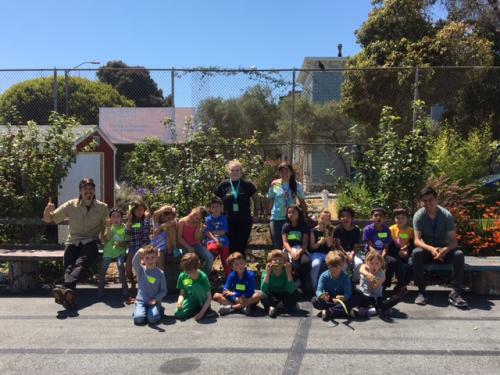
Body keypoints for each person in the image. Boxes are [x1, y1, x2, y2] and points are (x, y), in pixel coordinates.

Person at [43, 178, 108, 309]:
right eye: (85, 189)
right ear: (80, 191)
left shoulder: (102, 207)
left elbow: (105, 228)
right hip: (73, 241)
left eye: (91, 189)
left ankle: (64, 288)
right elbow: (50, 219)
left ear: (94, 191)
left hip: (91, 241)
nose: (88, 192)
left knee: (81, 263)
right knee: (68, 264)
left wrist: (106, 241)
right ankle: (68, 294)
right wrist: (47, 210)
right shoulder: (71, 205)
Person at [411, 186, 468, 308]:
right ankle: (421, 291)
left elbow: (453, 242)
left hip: (443, 250)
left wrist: (445, 250)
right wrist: (431, 249)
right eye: (424, 201)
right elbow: (417, 240)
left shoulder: (446, 215)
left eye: (430, 200)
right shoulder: (419, 215)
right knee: (416, 253)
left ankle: (456, 292)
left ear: (436, 200)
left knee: (459, 255)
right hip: (427, 250)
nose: (427, 203)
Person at [215, 160, 257, 255]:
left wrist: (255, 214)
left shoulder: (247, 184)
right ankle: (232, 268)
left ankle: (241, 268)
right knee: (231, 246)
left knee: (241, 246)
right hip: (228, 221)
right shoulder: (223, 185)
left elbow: (256, 200)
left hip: (244, 220)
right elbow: (216, 202)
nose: (234, 173)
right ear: (228, 172)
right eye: (232, 170)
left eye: (237, 170)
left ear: (241, 172)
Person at [363, 207, 406, 295]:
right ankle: (370, 287)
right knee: (374, 264)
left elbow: (386, 247)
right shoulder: (368, 229)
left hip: (383, 253)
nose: (378, 217)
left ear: (384, 219)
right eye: (375, 215)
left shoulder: (386, 230)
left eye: (381, 216)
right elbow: (370, 246)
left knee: (393, 262)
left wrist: (382, 257)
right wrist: (377, 257)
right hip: (371, 254)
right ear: (371, 217)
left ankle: (385, 285)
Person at [267, 162, 308, 249]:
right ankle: (279, 262)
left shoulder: (297, 185)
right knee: (277, 244)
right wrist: (267, 213)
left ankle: (290, 262)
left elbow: (302, 201)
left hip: (291, 219)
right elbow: (271, 199)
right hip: (276, 217)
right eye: (282, 171)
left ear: (291, 172)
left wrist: (306, 214)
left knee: (291, 243)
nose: (284, 174)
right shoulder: (275, 184)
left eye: (287, 171)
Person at [352, 250, 400, 319]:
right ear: (366, 263)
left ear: (381, 264)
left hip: (377, 297)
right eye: (371, 263)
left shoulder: (382, 274)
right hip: (365, 296)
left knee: (394, 298)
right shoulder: (364, 267)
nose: (374, 266)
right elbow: (361, 270)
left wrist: (373, 279)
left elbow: (374, 286)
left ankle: (377, 309)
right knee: (356, 293)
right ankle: (379, 309)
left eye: (377, 263)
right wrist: (369, 275)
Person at [311, 251, 353, 321]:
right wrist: (322, 296)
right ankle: (342, 311)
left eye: (336, 266)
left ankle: (329, 312)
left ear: (341, 265)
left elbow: (348, 293)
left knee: (355, 297)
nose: (334, 269)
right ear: (328, 265)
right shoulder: (324, 276)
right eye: (331, 266)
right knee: (314, 301)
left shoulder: (345, 277)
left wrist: (343, 297)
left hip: (341, 301)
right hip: (329, 299)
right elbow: (318, 290)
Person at [174, 253, 216, 321]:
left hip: (203, 301)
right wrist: (180, 302)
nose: (185, 272)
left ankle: (205, 310)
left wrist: (201, 314)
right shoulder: (182, 275)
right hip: (191, 300)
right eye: (184, 270)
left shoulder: (203, 276)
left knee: (195, 286)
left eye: (188, 271)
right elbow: (182, 293)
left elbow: (209, 297)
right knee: (178, 313)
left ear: (194, 268)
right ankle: (195, 310)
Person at [132, 245, 167, 325]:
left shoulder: (160, 273)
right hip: (141, 301)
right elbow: (134, 262)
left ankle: (159, 309)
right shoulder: (140, 270)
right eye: (147, 258)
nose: (150, 260)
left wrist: (156, 299)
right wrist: (139, 252)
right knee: (138, 319)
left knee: (153, 319)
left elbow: (163, 291)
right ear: (143, 259)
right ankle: (139, 310)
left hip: (154, 301)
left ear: (156, 258)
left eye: (152, 257)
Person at [281, 204, 312, 295]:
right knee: (286, 262)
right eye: (289, 212)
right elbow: (285, 242)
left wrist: (299, 252)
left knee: (305, 262)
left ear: (299, 214)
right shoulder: (286, 226)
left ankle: (303, 285)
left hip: (301, 249)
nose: (291, 214)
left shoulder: (304, 226)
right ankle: (289, 285)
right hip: (288, 249)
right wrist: (291, 251)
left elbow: (305, 243)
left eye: (293, 212)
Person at [126, 200, 152, 304]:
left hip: (144, 247)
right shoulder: (131, 221)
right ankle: (133, 283)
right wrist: (128, 222)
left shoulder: (146, 220)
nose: (139, 212)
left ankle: (143, 288)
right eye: (137, 210)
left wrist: (146, 219)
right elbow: (128, 233)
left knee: (143, 268)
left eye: (142, 210)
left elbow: (145, 234)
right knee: (128, 268)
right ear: (133, 210)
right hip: (133, 247)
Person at [260, 249, 299, 318]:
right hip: (272, 294)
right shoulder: (267, 271)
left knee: (296, 293)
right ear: (270, 262)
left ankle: (273, 308)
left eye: (280, 260)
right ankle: (286, 307)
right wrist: (268, 274)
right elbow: (263, 289)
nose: (277, 262)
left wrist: (288, 273)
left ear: (284, 261)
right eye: (275, 260)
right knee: (262, 296)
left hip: (284, 293)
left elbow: (291, 290)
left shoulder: (286, 270)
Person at [99, 208, 128, 297]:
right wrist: (107, 227)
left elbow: (126, 243)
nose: (116, 219)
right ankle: (101, 287)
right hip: (109, 251)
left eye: (118, 216)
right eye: (113, 216)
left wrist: (121, 244)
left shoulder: (124, 227)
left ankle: (124, 287)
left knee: (120, 265)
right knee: (104, 267)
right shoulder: (109, 227)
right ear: (110, 218)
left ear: (121, 218)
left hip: (120, 251)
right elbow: (106, 239)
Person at [177, 207, 213, 276]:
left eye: (198, 218)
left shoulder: (197, 223)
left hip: (195, 244)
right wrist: (188, 247)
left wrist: (201, 229)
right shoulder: (182, 222)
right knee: (190, 260)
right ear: (192, 210)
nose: (194, 218)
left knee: (209, 257)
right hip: (183, 245)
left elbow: (196, 238)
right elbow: (179, 238)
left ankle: (203, 276)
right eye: (194, 214)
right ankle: (188, 277)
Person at [333, 207, 362, 282]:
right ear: (340, 218)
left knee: (359, 263)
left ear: (351, 218)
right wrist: (345, 255)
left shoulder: (356, 230)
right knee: (343, 264)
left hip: (353, 253)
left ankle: (355, 282)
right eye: (343, 216)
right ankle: (343, 282)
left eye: (348, 216)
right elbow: (338, 246)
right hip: (341, 253)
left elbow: (356, 246)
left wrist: (351, 255)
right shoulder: (337, 230)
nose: (345, 218)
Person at [205, 196, 231, 276]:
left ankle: (229, 277)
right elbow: (208, 232)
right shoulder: (208, 219)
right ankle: (207, 275)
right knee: (211, 249)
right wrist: (216, 239)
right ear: (210, 209)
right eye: (213, 207)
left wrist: (214, 232)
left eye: (217, 207)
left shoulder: (224, 218)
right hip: (212, 240)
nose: (215, 209)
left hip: (223, 241)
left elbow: (223, 232)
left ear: (221, 208)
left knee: (226, 259)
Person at [310, 210, 335, 290]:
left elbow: (329, 245)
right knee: (316, 265)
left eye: (327, 219)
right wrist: (319, 242)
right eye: (322, 218)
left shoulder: (330, 230)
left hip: (327, 253)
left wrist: (327, 232)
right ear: (318, 218)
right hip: (316, 253)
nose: (324, 221)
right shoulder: (313, 231)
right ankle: (314, 285)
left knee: (334, 263)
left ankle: (331, 285)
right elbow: (312, 247)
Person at [389, 207, 414, 288]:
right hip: (395, 253)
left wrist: (408, 252)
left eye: (403, 218)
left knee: (410, 264)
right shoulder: (391, 229)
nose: (400, 220)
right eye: (397, 218)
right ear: (394, 219)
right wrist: (398, 251)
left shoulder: (410, 230)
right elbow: (389, 243)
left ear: (407, 219)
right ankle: (400, 285)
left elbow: (412, 243)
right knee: (397, 263)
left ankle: (403, 284)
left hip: (406, 253)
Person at [151, 205, 177, 271]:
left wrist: (172, 210)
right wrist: (164, 209)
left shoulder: (172, 223)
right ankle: (159, 275)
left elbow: (173, 222)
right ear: (162, 216)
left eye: (170, 218)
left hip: (169, 247)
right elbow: (155, 214)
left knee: (171, 227)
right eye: (167, 218)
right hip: (158, 247)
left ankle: (175, 250)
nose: (168, 220)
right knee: (159, 255)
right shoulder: (156, 223)